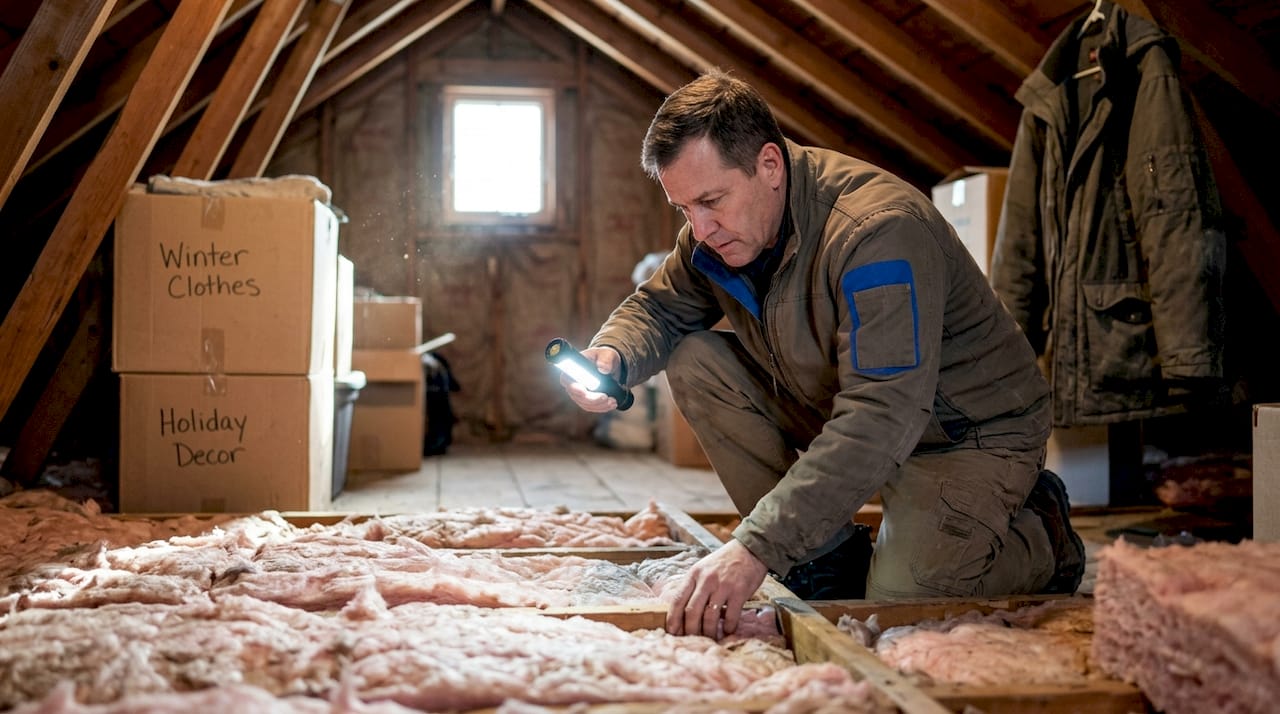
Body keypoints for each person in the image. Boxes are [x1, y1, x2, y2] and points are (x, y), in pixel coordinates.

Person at [558, 69, 1085, 639]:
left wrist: (756, 546)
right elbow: (660, 308)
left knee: (901, 606)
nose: (701, 228)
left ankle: (1043, 539)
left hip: (964, 433)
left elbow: (881, 415)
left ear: (769, 165)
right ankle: (822, 559)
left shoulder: (877, 232)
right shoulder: (719, 231)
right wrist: (611, 355)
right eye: (684, 208)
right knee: (696, 360)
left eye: (711, 201)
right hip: (848, 402)